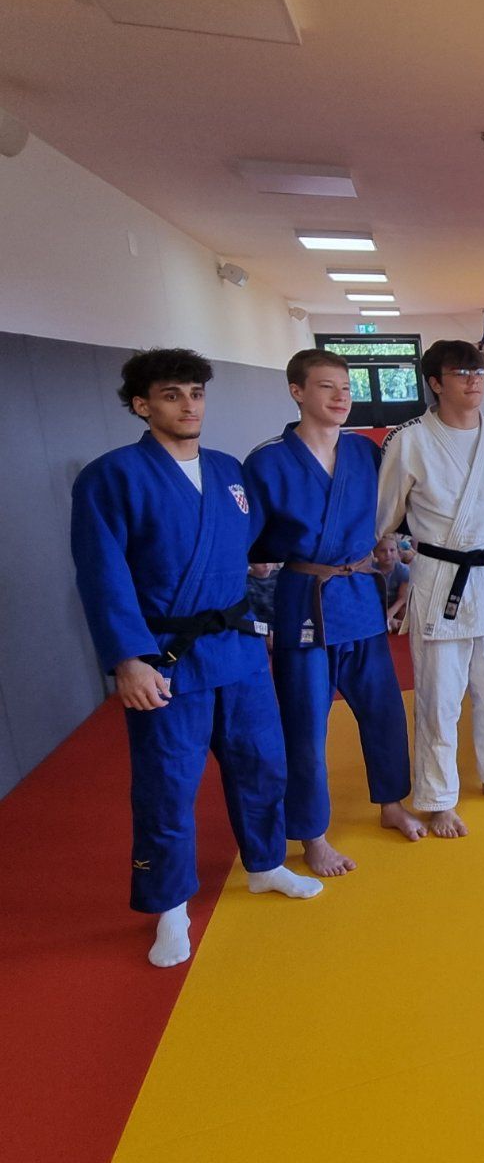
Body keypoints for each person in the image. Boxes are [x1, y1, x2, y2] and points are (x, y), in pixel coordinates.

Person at [70, 348, 321, 968]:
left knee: (263, 764)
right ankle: (171, 908)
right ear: (142, 405)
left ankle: (265, 864)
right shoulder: (111, 476)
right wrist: (128, 659)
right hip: (165, 656)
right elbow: (102, 575)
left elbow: (246, 541)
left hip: (236, 648)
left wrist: (258, 566)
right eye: (172, 395)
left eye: (197, 393)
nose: (189, 405)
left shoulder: (228, 469)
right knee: (168, 786)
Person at [245, 349, 422, 877]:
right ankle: (313, 834)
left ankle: (391, 802)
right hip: (304, 597)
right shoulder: (267, 460)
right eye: (327, 387)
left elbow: (389, 513)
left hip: (360, 595)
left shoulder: (364, 452)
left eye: (346, 388)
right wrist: (256, 573)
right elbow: (250, 541)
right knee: (303, 723)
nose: (341, 397)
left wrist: (387, 545)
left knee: (384, 710)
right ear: (297, 392)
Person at [376, 340, 484, 836]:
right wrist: (375, 548)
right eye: (461, 372)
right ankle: (438, 797)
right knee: (439, 697)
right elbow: (386, 513)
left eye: (478, 372)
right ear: (435, 382)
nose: (473, 381)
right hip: (440, 578)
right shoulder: (409, 441)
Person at [373, 534, 410, 632]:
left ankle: (392, 623)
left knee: (405, 611)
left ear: (398, 552)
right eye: (382, 550)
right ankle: (388, 624)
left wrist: (390, 614)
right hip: (375, 606)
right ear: (375, 553)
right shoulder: (371, 569)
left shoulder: (403, 570)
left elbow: (403, 598)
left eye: (392, 550)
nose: (388, 554)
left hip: (395, 606)